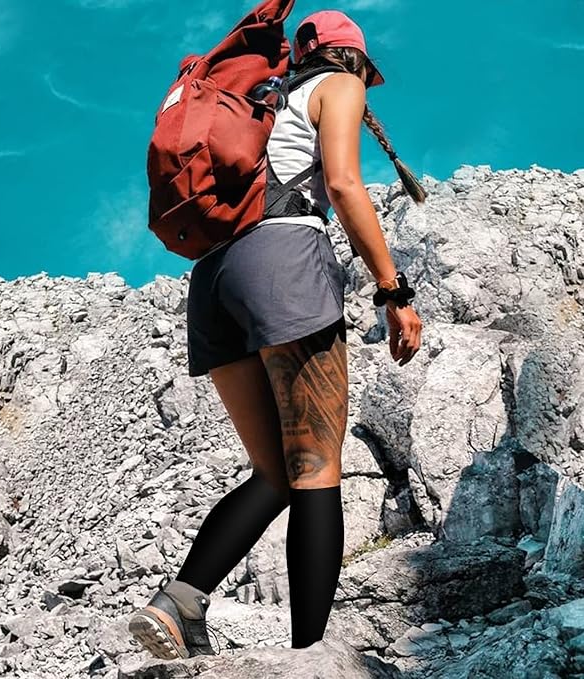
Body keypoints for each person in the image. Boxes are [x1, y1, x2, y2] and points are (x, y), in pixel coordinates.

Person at [129, 9, 424, 659]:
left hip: (214, 281)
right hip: (282, 266)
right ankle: (312, 657)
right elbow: (342, 183)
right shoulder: (336, 85)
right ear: (352, 59)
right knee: (315, 465)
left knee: (272, 472)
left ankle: (180, 603)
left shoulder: (259, 101)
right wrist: (393, 291)